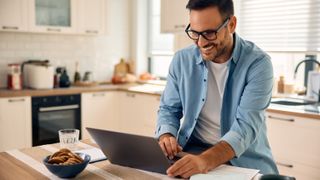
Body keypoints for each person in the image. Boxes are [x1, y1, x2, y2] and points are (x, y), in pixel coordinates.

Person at [155, 0, 279, 178]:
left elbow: (244, 129)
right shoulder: (181, 60)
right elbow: (169, 109)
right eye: (195, 33)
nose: (201, 42)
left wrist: (205, 161)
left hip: (243, 161)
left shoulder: (258, 64)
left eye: (209, 33)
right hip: (192, 153)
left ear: (231, 24)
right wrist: (166, 135)